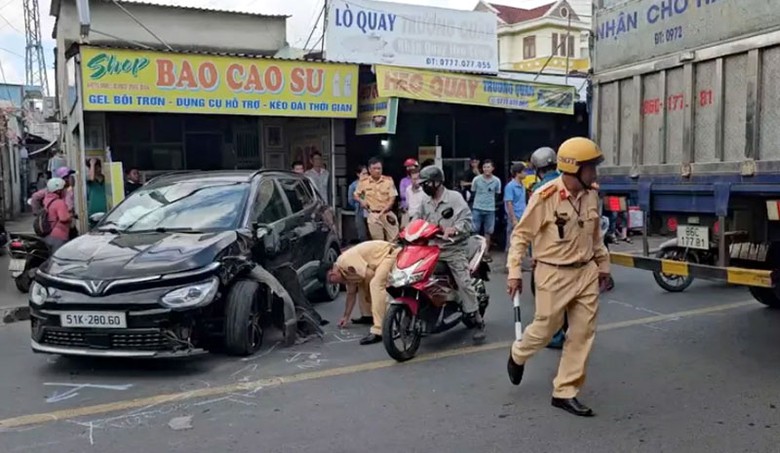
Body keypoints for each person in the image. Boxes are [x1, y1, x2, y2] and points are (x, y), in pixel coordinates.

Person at [505, 137, 611, 417]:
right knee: (546, 328)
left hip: (585, 272)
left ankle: (564, 391)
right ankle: (519, 354)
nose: (595, 173)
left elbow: (596, 236)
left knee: (582, 333)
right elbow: (520, 236)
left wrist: (603, 266)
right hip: (552, 273)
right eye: (591, 167)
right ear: (574, 168)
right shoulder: (545, 197)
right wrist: (514, 272)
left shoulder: (591, 194)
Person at [411, 165, 485, 342]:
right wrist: (408, 230)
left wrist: (455, 229)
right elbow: (417, 219)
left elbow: (467, 222)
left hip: (453, 249)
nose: (424, 187)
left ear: (436, 182)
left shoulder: (454, 198)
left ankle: (477, 320)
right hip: (431, 249)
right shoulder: (425, 201)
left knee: (464, 282)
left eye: (426, 183)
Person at [327, 240, 401, 345]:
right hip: (377, 260)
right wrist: (346, 316)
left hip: (388, 254)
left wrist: (368, 296)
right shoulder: (343, 272)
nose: (334, 284)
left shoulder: (345, 262)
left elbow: (369, 275)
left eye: (331, 281)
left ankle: (379, 330)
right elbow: (351, 294)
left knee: (375, 284)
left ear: (332, 274)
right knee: (361, 283)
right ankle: (368, 315)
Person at [529, 146, 567, 349]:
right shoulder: (569, 183)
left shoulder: (539, 190)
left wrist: (532, 254)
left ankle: (555, 335)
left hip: (549, 250)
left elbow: (533, 225)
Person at [354, 157, 399, 241]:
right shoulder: (364, 182)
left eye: (379, 168)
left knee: (394, 240)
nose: (377, 171)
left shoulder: (388, 181)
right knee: (378, 243)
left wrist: (382, 212)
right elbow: (356, 195)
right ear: (369, 170)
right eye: (374, 168)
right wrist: (362, 201)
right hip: (373, 215)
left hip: (387, 214)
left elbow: (392, 198)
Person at [470, 159, 501, 261]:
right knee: (475, 231)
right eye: (484, 167)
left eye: (488, 167)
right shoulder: (476, 180)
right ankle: (474, 252)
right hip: (477, 208)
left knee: (488, 232)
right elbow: (473, 192)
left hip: (490, 209)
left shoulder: (496, 181)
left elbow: (497, 194)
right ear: (482, 168)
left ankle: (485, 253)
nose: (486, 169)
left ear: (492, 168)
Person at [42, 178, 72, 253]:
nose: (65, 191)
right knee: (58, 259)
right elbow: (63, 218)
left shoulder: (47, 200)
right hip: (59, 236)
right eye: (63, 189)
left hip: (48, 234)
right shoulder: (59, 202)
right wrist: (70, 216)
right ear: (59, 190)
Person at [504, 163, 527, 252]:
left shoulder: (522, 185)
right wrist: (513, 218)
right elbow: (509, 203)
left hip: (522, 215)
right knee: (511, 240)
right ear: (518, 173)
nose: (525, 173)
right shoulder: (510, 186)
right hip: (515, 216)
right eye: (524, 171)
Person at [347, 165, 369, 242]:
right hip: (360, 211)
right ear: (358, 174)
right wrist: (358, 204)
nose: (366, 176)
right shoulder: (353, 186)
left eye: (367, 173)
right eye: (363, 173)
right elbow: (351, 201)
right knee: (362, 234)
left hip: (371, 211)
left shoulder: (371, 183)